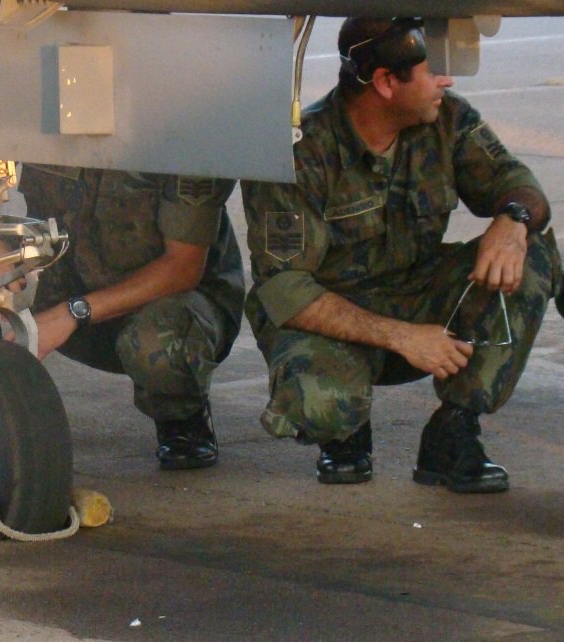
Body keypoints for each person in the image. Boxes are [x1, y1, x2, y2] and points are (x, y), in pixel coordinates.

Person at [240, 17, 560, 492]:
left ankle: (453, 431)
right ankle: (345, 431)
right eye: (434, 71)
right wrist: (404, 337)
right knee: (322, 404)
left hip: (419, 293)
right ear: (387, 82)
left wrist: (513, 220)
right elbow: (284, 288)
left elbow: (519, 183)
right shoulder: (301, 153)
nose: (446, 81)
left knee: (532, 252)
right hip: (332, 317)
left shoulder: (445, 119)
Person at [14, 164, 245, 470]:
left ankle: (180, 414)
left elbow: (182, 268)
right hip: (68, 284)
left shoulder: (177, 129)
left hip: (165, 305)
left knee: (159, 344)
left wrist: (72, 313)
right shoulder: (36, 119)